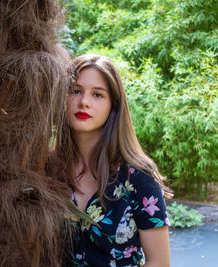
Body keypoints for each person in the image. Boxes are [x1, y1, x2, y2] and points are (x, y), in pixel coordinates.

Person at [55, 54, 171, 267]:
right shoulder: (46, 169)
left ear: (113, 105)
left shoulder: (138, 175)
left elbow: (159, 262)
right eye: (75, 91)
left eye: (97, 95)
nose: (84, 102)